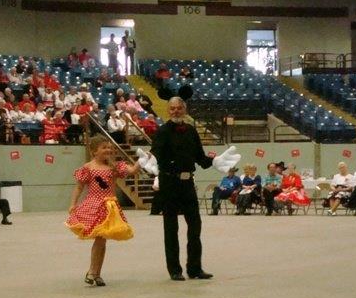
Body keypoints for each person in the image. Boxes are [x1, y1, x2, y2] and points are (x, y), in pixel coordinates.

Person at [144, 96, 240, 280]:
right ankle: (175, 270)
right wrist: (149, 160)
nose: (176, 111)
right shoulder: (162, 131)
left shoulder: (191, 130)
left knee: (195, 225)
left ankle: (195, 268)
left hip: (188, 183)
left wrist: (215, 161)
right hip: (169, 183)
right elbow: (155, 154)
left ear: (185, 110)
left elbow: (200, 158)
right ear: (168, 110)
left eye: (179, 108)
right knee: (171, 227)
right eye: (172, 108)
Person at [66, 136, 141, 286]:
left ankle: (96, 273)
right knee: (100, 239)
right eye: (104, 147)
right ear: (94, 151)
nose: (108, 150)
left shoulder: (114, 167)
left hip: (110, 207)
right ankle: (92, 271)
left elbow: (133, 170)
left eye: (109, 147)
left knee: (102, 240)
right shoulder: (88, 167)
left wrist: (142, 160)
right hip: (94, 205)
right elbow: (79, 187)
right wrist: (73, 204)